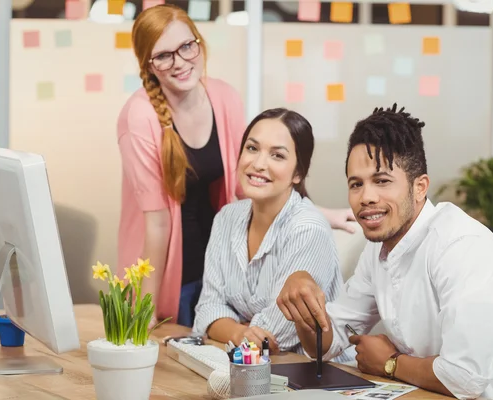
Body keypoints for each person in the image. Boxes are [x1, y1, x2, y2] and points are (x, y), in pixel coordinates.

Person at [276, 105, 493, 399]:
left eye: (382, 181)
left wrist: (390, 364)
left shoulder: (461, 244)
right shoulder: (379, 249)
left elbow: (466, 378)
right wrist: (302, 299)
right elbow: (328, 343)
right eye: (356, 184)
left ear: (420, 187)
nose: (366, 197)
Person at [115, 4, 355, 328]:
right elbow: (156, 225)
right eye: (164, 55)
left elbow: (248, 181)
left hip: (221, 262)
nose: (181, 62)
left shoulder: (223, 96)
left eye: (187, 46)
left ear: (198, 42)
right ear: (148, 64)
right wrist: (146, 313)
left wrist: (320, 213)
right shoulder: (139, 117)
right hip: (169, 271)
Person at [192, 108, 354, 363]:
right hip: (252, 368)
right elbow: (206, 310)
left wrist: (233, 327)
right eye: (252, 148)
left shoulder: (308, 229)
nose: (258, 164)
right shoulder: (226, 218)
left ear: (298, 173)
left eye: (277, 155)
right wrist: (240, 331)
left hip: (320, 378)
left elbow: (276, 336)